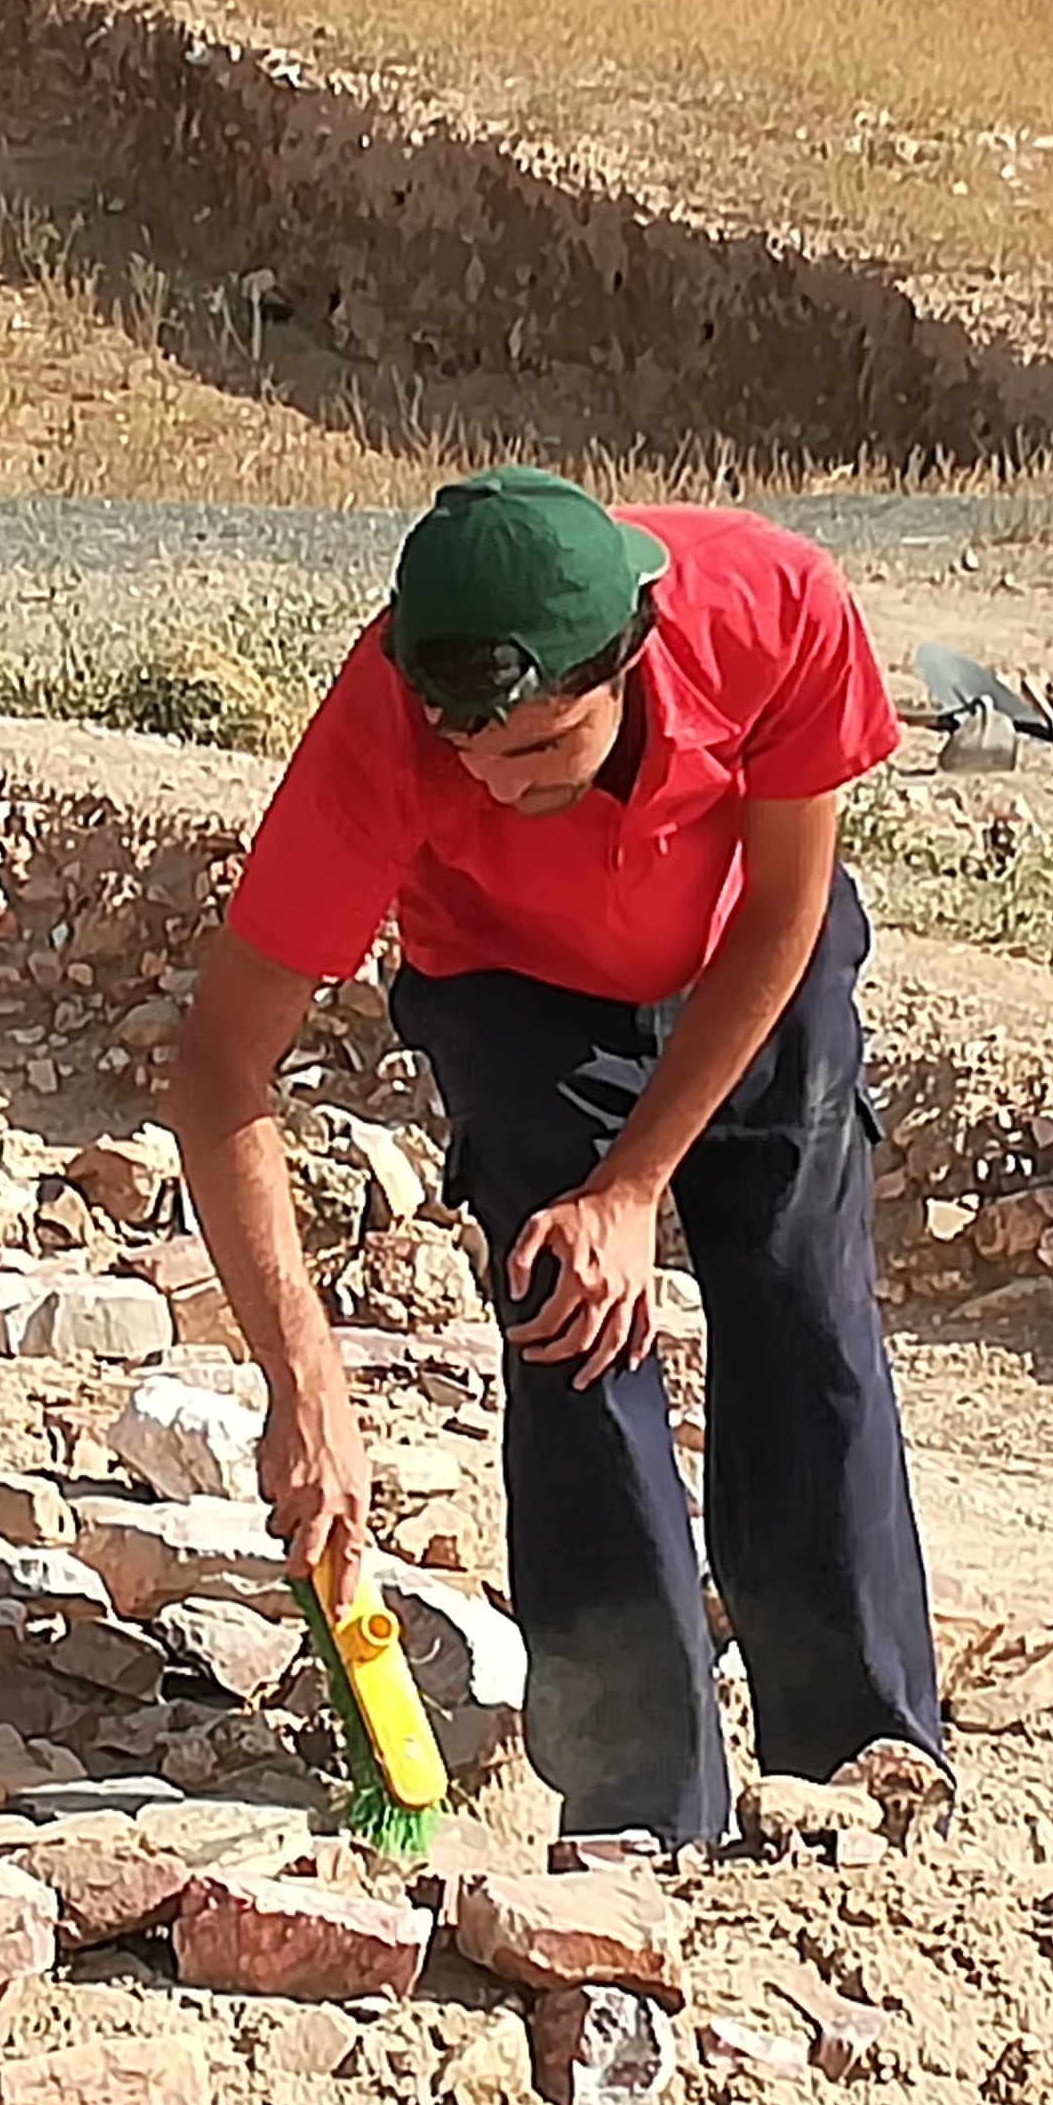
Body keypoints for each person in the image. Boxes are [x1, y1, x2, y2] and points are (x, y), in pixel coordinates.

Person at [161, 467, 944, 1849]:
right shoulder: (386, 734)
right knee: (570, 1316)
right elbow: (221, 1065)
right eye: (462, 748)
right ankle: (643, 1802)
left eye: (531, 752)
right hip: (517, 983)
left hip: (746, 946)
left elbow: (786, 905)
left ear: (630, 654)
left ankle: (862, 1761)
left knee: (804, 1302)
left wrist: (638, 1185)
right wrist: (307, 1384)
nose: (485, 778)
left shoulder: (774, 605)